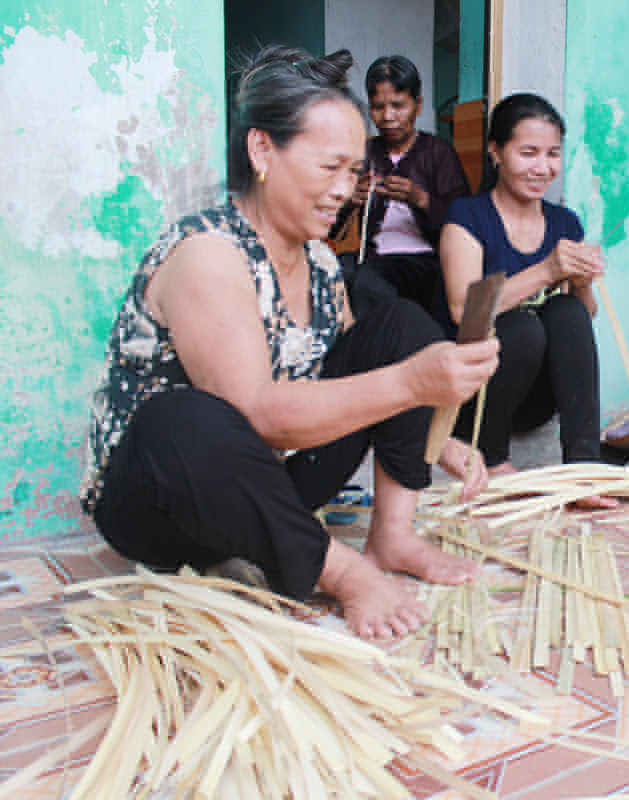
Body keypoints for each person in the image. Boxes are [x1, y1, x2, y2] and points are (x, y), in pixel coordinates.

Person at [80, 45, 499, 641]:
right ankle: (343, 573)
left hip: (271, 487)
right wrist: (411, 384)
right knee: (183, 420)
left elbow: (359, 379)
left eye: (354, 172)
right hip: (164, 499)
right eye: (330, 168)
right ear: (262, 151)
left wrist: (439, 433)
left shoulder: (323, 264)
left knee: (402, 328)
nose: (345, 189)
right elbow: (256, 414)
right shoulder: (208, 253)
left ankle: (392, 536)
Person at [438, 92, 613, 506]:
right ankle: (493, 458)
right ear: (496, 152)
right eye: (529, 152)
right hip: (475, 397)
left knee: (567, 310)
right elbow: (462, 311)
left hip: (536, 398)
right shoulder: (466, 217)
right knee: (521, 325)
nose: (542, 167)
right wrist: (546, 270)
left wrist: (582, 277)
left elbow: (585, 316)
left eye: (552, 154)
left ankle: (583, 467)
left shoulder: (564, 222)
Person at [329, 54, 470, 316]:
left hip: (424, 261)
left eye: (398, 105)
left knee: (370, 280)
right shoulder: (364, 152)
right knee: (333, 271)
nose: (387, 116)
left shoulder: (438, 152)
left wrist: (420, 199)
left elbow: (464, 223)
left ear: (418, 105)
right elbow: (332, 226)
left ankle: (378, 349)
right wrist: (351, 200)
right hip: (373, 256)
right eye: (377, 107)